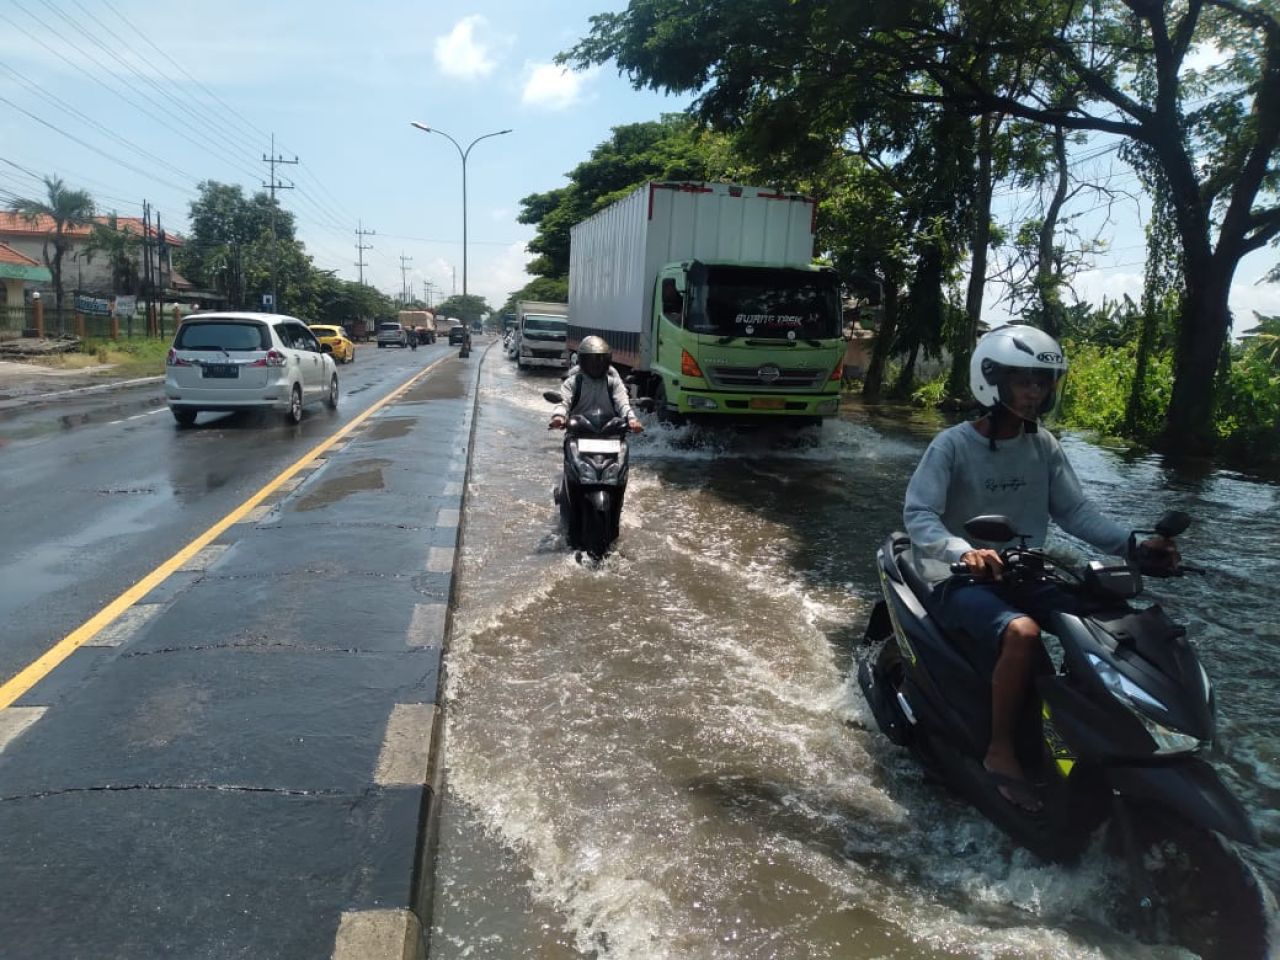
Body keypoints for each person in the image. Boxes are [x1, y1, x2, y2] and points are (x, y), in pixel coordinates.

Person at [903, 324, 1178, 812]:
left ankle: (1102, 737)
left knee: (1111, 619)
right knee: (1023, 635)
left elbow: (1075, 513)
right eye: (1023, 380)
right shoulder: (951, 445)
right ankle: (1001, 749)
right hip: (957, 578)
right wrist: (961, 550)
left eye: (1042, 382)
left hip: (1026, 572)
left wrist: (1135, 546)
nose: (1034, 392)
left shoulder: (1044, 445)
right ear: (993, 381)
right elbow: (919, 514)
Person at [548, 336, 644, 433]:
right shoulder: (572, 382)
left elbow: (623, 403)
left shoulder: (614, 383)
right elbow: (564, 402)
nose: (595, 365)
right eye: (591, 361)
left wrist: (632, 419)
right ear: (583, 361)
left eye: (600, 360)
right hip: (579, 431)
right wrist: (558, 417)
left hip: (610, 431)